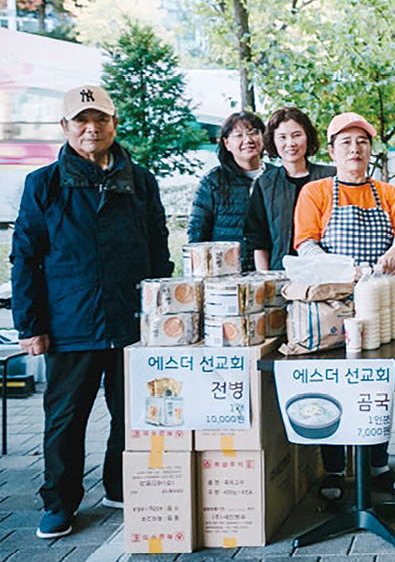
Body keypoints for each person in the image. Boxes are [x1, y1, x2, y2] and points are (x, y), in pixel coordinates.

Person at [12, 86, 172, 539]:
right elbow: (25, 257)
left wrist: (161, 316)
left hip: (131, 324)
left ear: (113, 124)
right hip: (70, 325)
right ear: (64, 128)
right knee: (65, 420)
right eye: (81, 120)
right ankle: (59, 503)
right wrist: (31, 324)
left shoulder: (140, 180)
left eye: (100, 119)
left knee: (131, 413)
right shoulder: (43, 184)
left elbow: (158, 247)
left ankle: (120, 485)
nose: (91, 128)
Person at [292, 112, 395, 499]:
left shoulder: (389, 193)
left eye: (361, 142)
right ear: (331, 151)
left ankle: (377, 464)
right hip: (331, 307)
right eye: (345, 143)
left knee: (377, 383)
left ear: (371, 150)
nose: (354, 149)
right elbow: (306, 244)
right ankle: (333, 468)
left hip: (379, 303)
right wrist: (346, 269)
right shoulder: (315, 193)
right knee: (332, 384)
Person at [244, 107, 336, 271]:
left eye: (296, 135)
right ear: (273, 141)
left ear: (307, 137)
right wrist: (266, 281)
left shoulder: (331, 177)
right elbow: (259, 240)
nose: (290, 144)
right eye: (282, 137)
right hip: (281, 275)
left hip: (327, 272)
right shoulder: (265, 184)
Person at [189, 111, 265, 272]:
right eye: (239, 135)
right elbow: (197, 233)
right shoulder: (213, 181)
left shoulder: (276, 177)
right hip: (226, 274)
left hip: (270, 270)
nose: (248, 140)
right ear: (226, 143)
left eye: (253, 133)